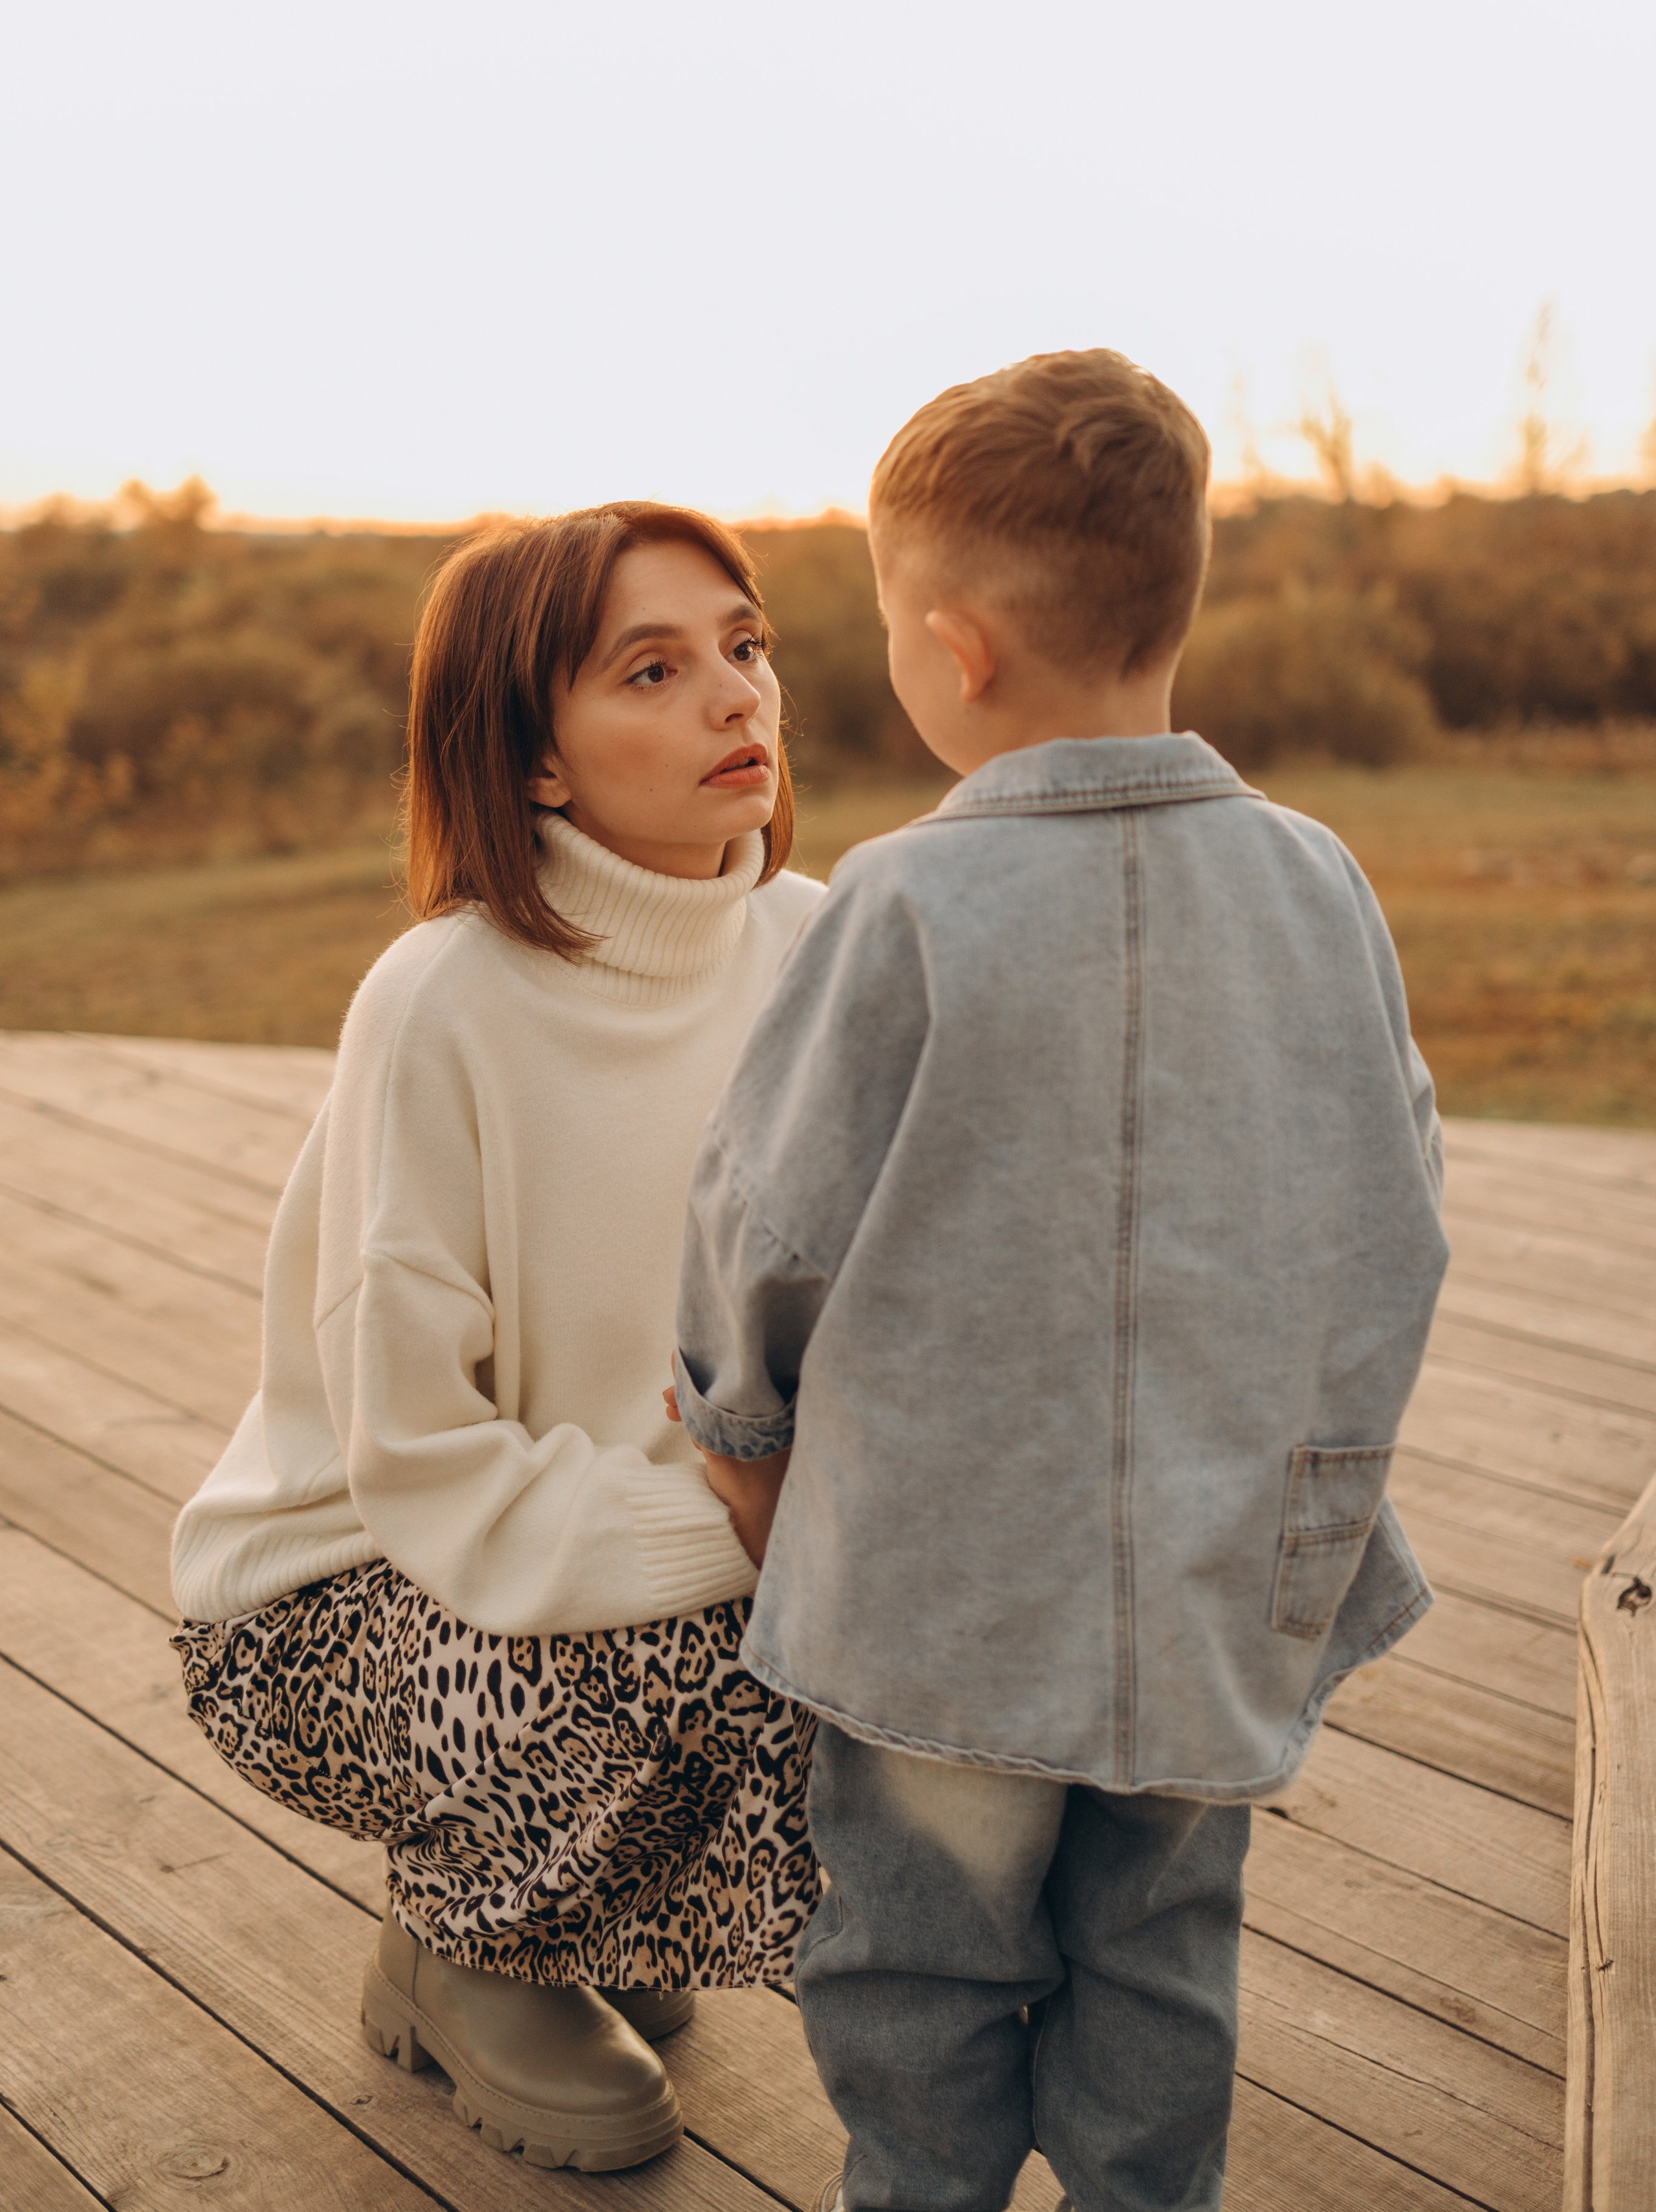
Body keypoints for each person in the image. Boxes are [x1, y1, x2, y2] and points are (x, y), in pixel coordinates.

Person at [668, 352, 1450, 2212]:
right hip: (1207, 1589)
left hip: (933, 1600)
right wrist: (1320, 1491)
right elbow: (1394, 1215)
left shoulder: (904, 906)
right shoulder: (1315, 882)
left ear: (955, 649)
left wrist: (742, 1428)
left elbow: (765, 1221)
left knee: (916, 1954)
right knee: (1164, 1948)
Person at [169, 503, 824, 2174]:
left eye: (745, 646)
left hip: (691, 1525)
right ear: (534, 759)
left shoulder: (819, 952)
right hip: (342, 1599)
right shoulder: (441, 1000)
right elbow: (425, 1470)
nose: (736, 699)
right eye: (656, 670)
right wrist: (752, 1521)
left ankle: (584, 1900)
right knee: (726, 1626)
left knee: (861, 1629)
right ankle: (471, 1949)